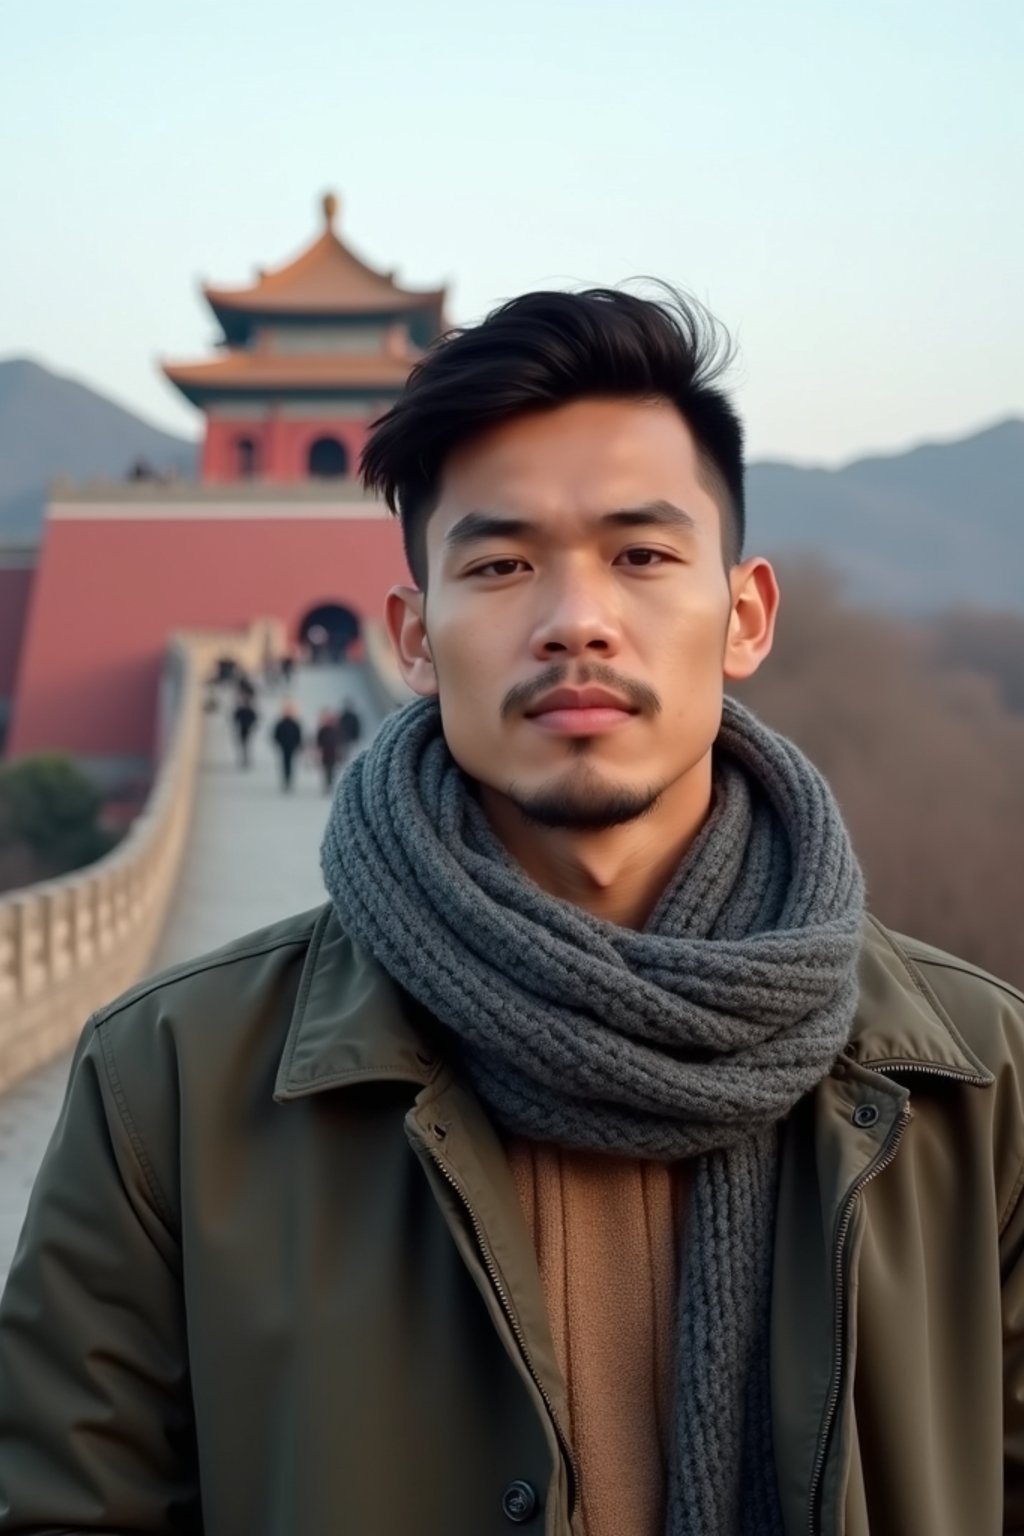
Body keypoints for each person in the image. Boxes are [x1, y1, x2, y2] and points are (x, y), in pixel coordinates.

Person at [2, 288, 1023, 1536]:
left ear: (745, 616)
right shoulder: (175, 1084)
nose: (576, 619)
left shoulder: (974, 1086)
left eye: (642, 556)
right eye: (499, 565)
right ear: (415, 637)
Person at [271, 701, 303, 792]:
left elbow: (298, 735)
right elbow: (276, 735)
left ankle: (289, 781)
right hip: (284, 747)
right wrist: (279, 743)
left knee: (290, 764)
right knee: (284, 764)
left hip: (292, 747)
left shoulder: (295, 724)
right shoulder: (281, 723)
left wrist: (298, 744)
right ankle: (285, 781)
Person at [313, 707, 341, 792]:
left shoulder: (335, 730)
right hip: (325, 753)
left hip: (333, 752)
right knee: (326, 769)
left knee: (331, 769)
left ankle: (330, 783)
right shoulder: (323, 730)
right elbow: (318, 741)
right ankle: (327, 784)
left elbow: (339, 741)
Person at [230, 695, 257, 768]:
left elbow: (254, 718)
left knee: (245, 745)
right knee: (244, 746)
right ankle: (245, 760)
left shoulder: (245, 710)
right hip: (243, 729)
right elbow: (235, 718)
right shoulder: (243, 710)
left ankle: (245, 760)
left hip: (246, 729)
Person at [336, 697, 362, 762]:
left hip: (347, 738)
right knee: (348, 754)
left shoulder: (345, 717)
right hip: (347, 739)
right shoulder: (347, 717)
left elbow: (356, 727)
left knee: (348, 754)